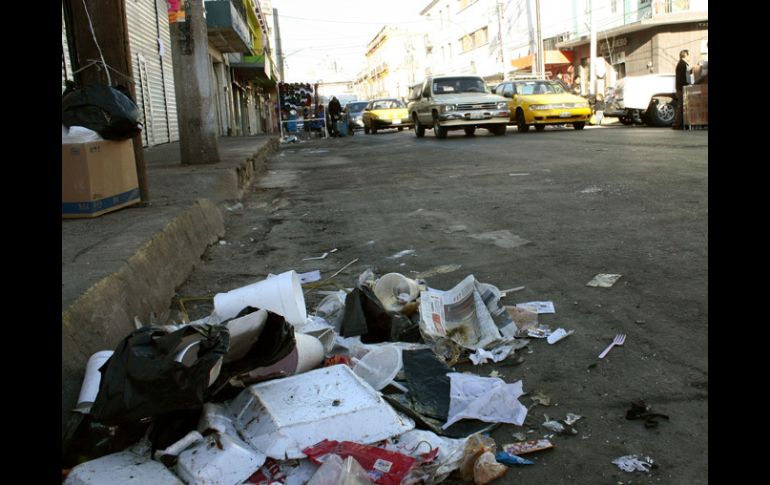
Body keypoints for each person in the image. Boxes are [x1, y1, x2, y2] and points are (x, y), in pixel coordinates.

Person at [672, 49, 691, 130]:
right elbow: (681, 78)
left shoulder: (682, 64)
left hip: (680, 87)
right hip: (681, 88)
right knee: (680, 106)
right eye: (689, 55)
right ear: (685, 55)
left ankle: (679, 123)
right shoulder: (682, 64)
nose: (689, 57)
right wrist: (687, 85)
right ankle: (676, 124)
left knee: (681, 106)